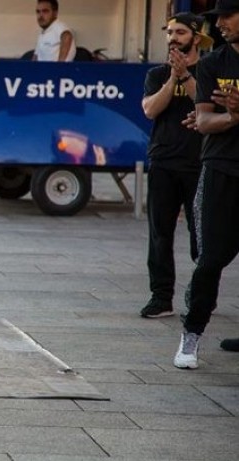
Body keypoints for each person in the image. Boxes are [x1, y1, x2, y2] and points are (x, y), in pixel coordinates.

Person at [174, 0, 239, 369]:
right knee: (210, 259)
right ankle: (191, 335)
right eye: (217, 18)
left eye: (228, 16)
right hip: (222, 169)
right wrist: (233, 115)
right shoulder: (214, 63)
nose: (220, 24)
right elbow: (203, 121)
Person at [139, 13, 211, 319]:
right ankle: (161, 296)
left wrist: (186, 77)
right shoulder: (157, 74)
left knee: (201, 236)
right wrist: (173, 78)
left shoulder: (209, 70)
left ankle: (199, 295)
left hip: (199, 164)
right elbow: (150, 109)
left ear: (195, 37)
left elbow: (206, 103)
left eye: (180, 33)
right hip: (163, 162)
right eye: (169, 33)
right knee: (159, 233)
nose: (172, 38)